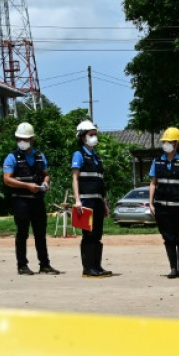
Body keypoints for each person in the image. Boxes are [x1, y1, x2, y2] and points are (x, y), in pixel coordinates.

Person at [1, 122, 61, 275]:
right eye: (19, 139)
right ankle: (22, 265)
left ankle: (45, 264)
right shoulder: (12, 157)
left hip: (37, 200)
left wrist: (46, 182)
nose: (22, 141)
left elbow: (46, 174)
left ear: (32, 139)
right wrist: (27, 186)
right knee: (22, 233)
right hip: (21, 201)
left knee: (40, 233)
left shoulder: (40, 156)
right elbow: (7, 179)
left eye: (25, 139)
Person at [149, 127, 179, 278]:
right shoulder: (157, 161)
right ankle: (173, 268)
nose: (166, 144)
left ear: (177, 144)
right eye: (165, 141)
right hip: (162, 208)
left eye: (169, 142)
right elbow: (153, 183)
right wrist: (150, 203)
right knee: (168, 238)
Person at [72, 119, 112, 278]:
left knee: (97, 234)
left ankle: (97, 266)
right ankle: (88, 268)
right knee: (88, 235)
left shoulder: (96, 156)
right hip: (85, 201)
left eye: (95, 134)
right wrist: (77, 200)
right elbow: (75, 178)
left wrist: (105, 204)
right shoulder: (79, 154)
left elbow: (100, 183)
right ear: (82, 137)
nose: (94, 137)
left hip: (97, 201)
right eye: (91, 134)